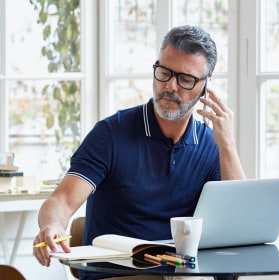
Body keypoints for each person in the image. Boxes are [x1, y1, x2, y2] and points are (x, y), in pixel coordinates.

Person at [33, 25, 245, 279]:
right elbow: (62, 201)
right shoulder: (111, 134)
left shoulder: (211, 144)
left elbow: (238, 227)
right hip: (116, 275)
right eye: (164, 73)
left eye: (186, 79)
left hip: (181, 274)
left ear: (205, 87)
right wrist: (52, 225)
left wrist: (228, 145)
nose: (171, 87)